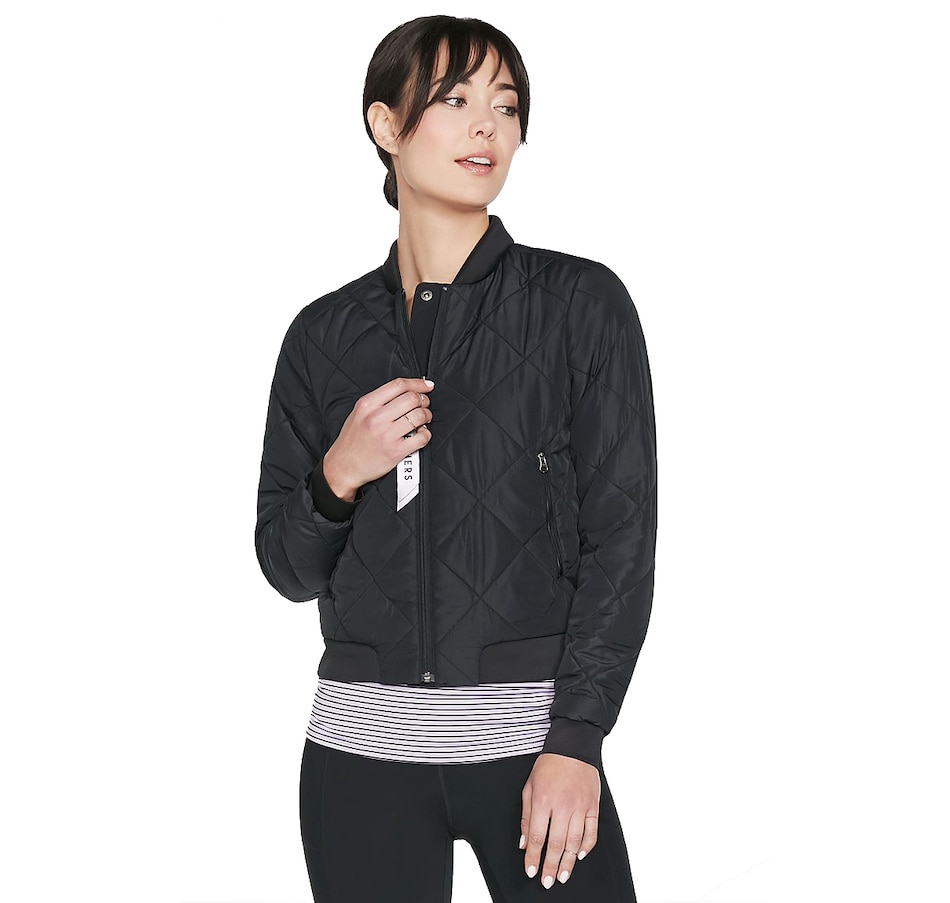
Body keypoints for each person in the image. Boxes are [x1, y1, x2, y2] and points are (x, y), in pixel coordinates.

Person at [254, 14, 658, 902]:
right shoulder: (322, 336)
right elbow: (285, 567)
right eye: (455, 100)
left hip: (532, 753)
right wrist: (340, 472)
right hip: (358, 758)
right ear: (386, 125)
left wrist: (576, 741)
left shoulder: (579, 305)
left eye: (506, 107)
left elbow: (622, 547)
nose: (488, 126)